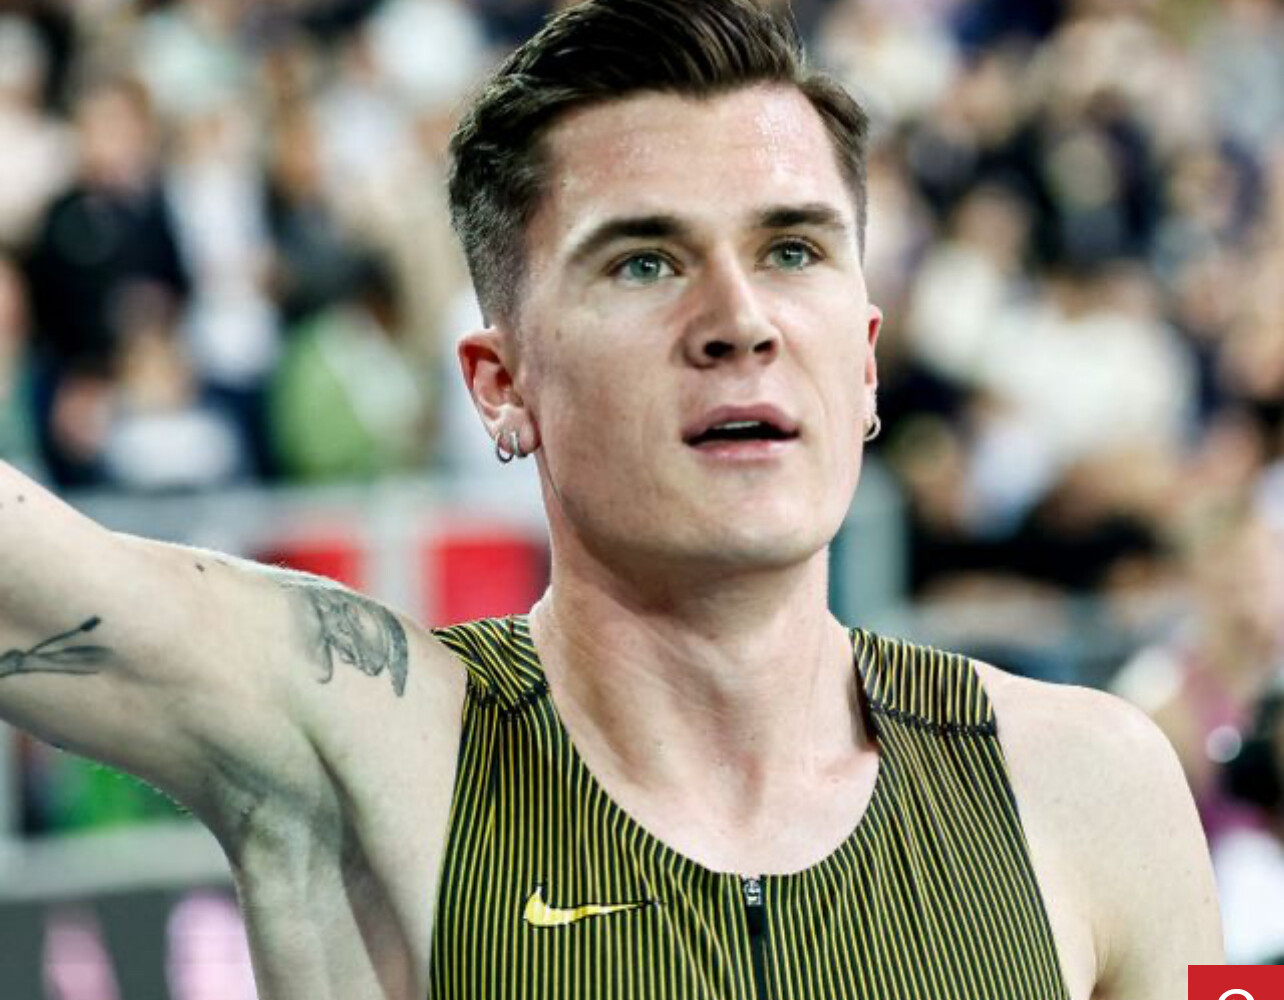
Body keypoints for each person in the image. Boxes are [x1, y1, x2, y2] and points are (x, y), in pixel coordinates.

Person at [0, 1, 1222, 998]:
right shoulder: (378, 747)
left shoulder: (1098, 787)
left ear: (864, 358)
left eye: (793, 249)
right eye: (644, 262)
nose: (739, 320)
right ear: (502, 385)